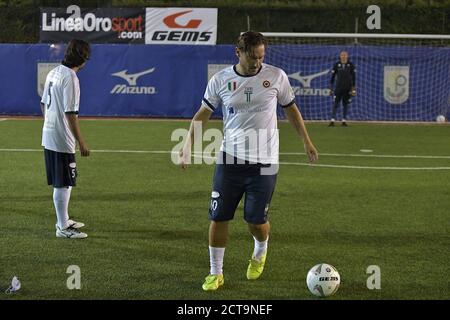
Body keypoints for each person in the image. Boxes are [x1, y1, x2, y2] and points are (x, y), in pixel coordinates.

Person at [179, 31, 318, 291]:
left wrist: (306, 141)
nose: (257, 62)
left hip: (264, 162)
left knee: (255, 220)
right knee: (218, 216)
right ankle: (215, 272)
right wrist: (187, 145)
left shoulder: (276, 76)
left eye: (261, 56)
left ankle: (260, 249)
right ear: (238, 52)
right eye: (252, 56)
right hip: (229, 160)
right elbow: (202, 114)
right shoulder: (220, 80)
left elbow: (291, 109)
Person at [41, 39, 91, 239]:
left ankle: (64, 220)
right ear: (83, 59)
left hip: (50, 133)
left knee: (63, 181)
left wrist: (50, 125)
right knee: (63, 182)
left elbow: (43, 103)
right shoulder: (71, 77)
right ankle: (62, 227)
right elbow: (71, 114)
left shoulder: (54, 72)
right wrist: (81, 142)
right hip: (61, 138)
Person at [329, 50, 356, 127]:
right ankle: (332, 120)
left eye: (345, 55)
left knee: (345, 104)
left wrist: (353, 89)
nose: (343, 56)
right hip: (338, 88)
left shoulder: (350, 65)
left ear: (347, 56)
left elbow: (354, 77)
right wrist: (331, 88)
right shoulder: (337, 65)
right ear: (340, 56)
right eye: (342, 55)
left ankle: (344, 120)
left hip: (347, 88)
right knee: (335, 103)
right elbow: (332, 77)